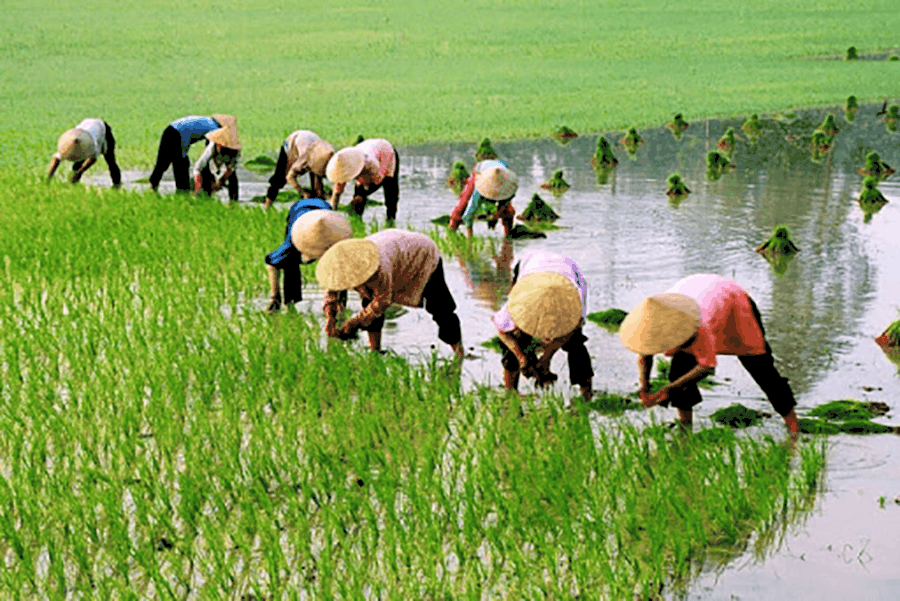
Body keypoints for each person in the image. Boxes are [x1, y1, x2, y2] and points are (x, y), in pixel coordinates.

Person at [618, 274, 800, 437]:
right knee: (678, 372)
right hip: (697, 291)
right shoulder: (652, 323)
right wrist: (645, 386)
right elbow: (645, 356)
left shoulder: (697, 324)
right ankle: (685, 425)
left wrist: (669, 390)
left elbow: (707, 366)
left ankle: (793, 426)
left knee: (762, 370)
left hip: (733, 303)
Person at [315, 229, 464, 358]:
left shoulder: (378, 265)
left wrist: (355, 322)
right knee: (368, 303)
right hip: (396, 251)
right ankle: (375, 350)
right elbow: (331, 292)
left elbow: (382, 301)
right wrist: (330, 317)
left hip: (422, 255)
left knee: (440, 307)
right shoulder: (337, 268)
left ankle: (459, 353)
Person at [493, 251, 593, 402]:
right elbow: (502, 330)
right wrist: (522, 358)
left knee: (575, 343)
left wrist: (547, 357)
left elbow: (573, 330)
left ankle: (586, 394)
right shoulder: (521, 299)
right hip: (531, 268)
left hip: (566, 272)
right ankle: (511, 392)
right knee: (518, 334)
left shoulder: (573, 299)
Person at [265, 203, 351, 312]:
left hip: (327, 220)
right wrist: (275, 296)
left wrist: (330, 298)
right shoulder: (292, 241)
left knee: (337, 267)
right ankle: (283, 302)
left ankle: (339, 303)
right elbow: (271, 262)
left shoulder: (335, 238)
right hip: (302, 216)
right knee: (290, 262)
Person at [148, 114, 235, 193]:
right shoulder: (215, 131)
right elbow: (209, 154)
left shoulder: (210, 123)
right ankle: (183, 191)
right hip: (177, 134)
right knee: (181, 164)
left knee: (163, 163)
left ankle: (153, 186)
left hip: (170, 130)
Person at [325, 138, 400, 221]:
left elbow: (379, 180)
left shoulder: (370, 163)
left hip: (385, 153)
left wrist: (361, 194)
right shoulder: (342, 166)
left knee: (390, 191)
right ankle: (357, 218)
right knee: (358, 197)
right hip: (368, 151)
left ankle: (391, 219)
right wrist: (332, 213)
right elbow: (336, 193)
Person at [263, 130, 335, 208]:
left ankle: (317, 208)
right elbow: (290, 177)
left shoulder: (325, 159)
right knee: (279, 178)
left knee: (317, 187)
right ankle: (267, 205)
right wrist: (302, 192)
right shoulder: (303, 159)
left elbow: (320, 179)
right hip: (292, 143)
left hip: (314, 146)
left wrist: (327, 193)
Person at [448, 160, 518, 237]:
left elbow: (505, 204)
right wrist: (469, 238)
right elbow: (469, 214)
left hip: (501, 172)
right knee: (463, 203)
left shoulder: (508, 185)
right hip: (481, 170)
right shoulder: (480, 187)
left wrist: (496, 216)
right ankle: (451, 230)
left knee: (508, 212)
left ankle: (508, 236)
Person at [47, 118, 121, 187]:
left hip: (104, 131)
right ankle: (73, 185)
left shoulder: (92, 143)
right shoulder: (68, 143)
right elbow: (56, 159)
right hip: (86, 128)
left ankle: (117, 184)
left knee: (110, 160)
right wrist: (49, 178)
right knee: (76, 165)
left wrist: (80, 173)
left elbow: (93, 159)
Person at [193, 124, 241, 201]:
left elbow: (231, 168)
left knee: (232, 178)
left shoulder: (235, 151)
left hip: (228, 159)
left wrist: (221, 182)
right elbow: (197, 169)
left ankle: (234, 201)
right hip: (210, 159)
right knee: (205, 173)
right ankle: (203, 196)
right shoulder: (212, 147)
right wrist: (198, 186)